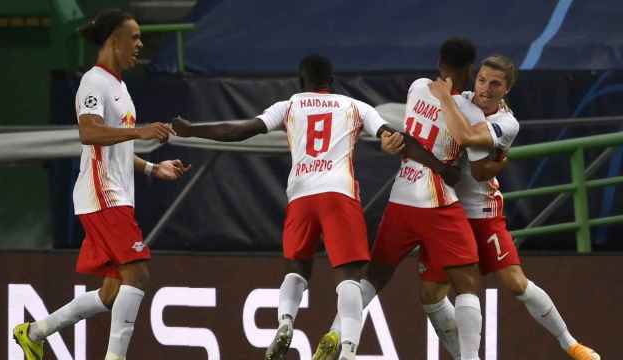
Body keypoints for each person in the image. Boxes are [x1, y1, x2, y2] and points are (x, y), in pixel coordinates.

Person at [172, 54, 458, 360]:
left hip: (301, 195)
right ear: (331, 81)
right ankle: (348, 349)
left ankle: (284, 322)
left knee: (296, 268)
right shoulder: (354, 106)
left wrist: (192, 130)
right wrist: (425, 159)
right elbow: (393, 135)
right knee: (349, 277)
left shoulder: (290, 104)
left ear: (301, 81)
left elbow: (238, 130)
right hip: (338, 194)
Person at [12, 9, 190, 360]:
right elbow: (89, 132)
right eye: (134, 37)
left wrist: (154, 168)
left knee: (112, 293)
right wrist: (140, 131)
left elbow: (118, 147)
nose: (140, 43)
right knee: (137, 275)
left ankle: (34, 332)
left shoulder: (120, 86)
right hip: (102, 195)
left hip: (117, 195)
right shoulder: (93, 82)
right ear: (114, 40)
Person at [313, 38, 489, 360]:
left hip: (401, 197)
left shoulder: (417, 87)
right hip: (437, 202)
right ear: (470, 68)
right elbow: (474, 156)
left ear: (439, 62)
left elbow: (409, 139)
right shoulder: (468, 110)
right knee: (467, 281)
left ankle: (337, 331)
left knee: (375, 276)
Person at [418, 55, 601, 360]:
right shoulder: (460, 100)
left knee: (515, 282)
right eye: (481, 80)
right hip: (446, 212)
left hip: (482, 213)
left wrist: (446, 103)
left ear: (507, 89)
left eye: (495, 84)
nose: (485, 89)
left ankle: (571, 344)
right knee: (431, 297)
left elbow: (474, 159)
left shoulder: (506, 122)